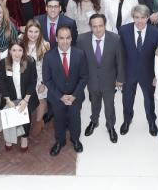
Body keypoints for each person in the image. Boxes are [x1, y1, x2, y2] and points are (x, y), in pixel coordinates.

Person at [42, 25, 89, 156]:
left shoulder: (80, 54)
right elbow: (47, 79)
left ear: (71, 38)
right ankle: (60, 141)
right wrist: (61, 97)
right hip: (57, 98)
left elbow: (84, 77)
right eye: (61, 38)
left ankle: (75, 139)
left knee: (75, 119)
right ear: (56, 39)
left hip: (76, 96)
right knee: (59, 120)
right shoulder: (49, 56)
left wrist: (74, 95)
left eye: (68, 38)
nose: (65, 41)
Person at [78, 14, 125, 143]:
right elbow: (79, 61)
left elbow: (120, 61)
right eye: (95, 26)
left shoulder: (115, 39)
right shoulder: (81, 40)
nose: (98, 29)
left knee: (109, 105)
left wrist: (120, 78)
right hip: (91, 79)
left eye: (100, 26)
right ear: (90, 27)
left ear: (105, 25)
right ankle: (94, 121)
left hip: (109, 80)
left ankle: (110, 126)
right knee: (94, 103)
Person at [118, 4, 158, 136]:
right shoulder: (124, 30)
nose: (140, 21)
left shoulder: (156, 32)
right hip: (129, 72)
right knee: (127, 98)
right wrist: (119, 75)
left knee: (149, 99)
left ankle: (151, 122)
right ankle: (127, 120)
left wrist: (156, 75)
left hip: (148, 73)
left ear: (148, 17)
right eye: (137, 17)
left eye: (143, 17)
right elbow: (120, 54)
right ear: (133, 17)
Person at [0, 41, 39, 151]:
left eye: (20, 50)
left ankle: (24, 138)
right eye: (14, 50)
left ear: (23, 51)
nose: (17, 53)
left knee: (26, 118)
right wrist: (8, 100)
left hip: (26, 97)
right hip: (10, 98)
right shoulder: (3, 63)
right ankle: (9, 138)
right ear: (10, 51)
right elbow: (2, 82)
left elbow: (33, 81)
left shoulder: (30, 62)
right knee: (11, 117)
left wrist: (25, 100)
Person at [20, 20, 51, 135]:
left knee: (41, 99)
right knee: (24, 98)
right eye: (30, 31)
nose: (33, 34)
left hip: (40, 77)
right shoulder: (20, 41)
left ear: (40, 32)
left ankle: (39, 121)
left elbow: (48, 66)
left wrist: (44, 83)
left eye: (36, 32)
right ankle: (23, 121)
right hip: (24, 77)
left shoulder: (45, 45)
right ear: (26, 32)